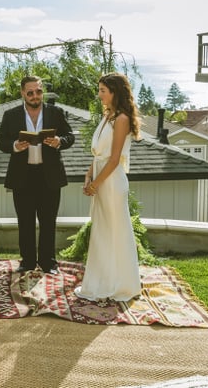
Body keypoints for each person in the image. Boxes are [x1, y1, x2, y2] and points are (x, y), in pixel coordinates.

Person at [0, 75, 75, 274]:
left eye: (38, 91)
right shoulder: (10, 115)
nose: (35, 96)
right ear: (23, 93)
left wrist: (59, 141)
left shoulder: (56, 112)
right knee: (25, 221)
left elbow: (70, 136)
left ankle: (48, 262)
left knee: (49, 221)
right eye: (30, 92)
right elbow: (0, 141)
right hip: (23, 176)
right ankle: (28, 261)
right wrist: (14, 145)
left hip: (49, 175)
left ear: (42, 92)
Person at [74, 72, 141, 302]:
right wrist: (88, 176)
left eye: (103, 90)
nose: (99, 94)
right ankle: (102, 280)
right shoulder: (107, 116)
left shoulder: (121, 119)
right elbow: (98, 155)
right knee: (102, 234)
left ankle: (122, 284)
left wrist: (96, 183)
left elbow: (114, 159)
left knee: (116, 233)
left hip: (111, 183)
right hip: (101, 178)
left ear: (115, 92)